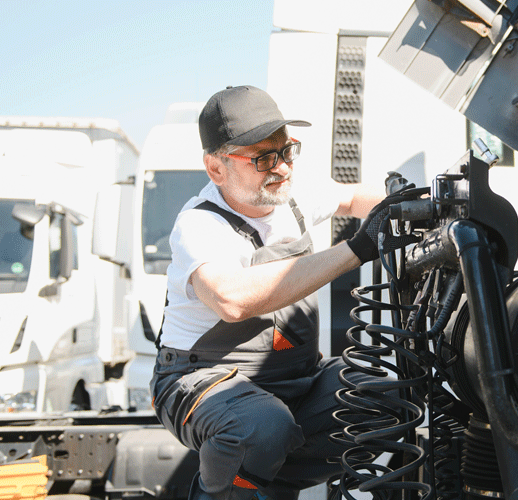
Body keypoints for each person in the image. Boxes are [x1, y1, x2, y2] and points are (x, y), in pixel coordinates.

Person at [150, 85, 414, 500]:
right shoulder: (200, 226)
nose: (282, 168)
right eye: (263, 158)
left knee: (385, 397)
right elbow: (231, 299)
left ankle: (258, 479)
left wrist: (415, 203)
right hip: (199, 381)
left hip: (295, 380)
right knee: (260, 428)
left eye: (287, 151)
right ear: (216, 168)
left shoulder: (291, 196)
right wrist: (359, 248)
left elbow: (350, 197)